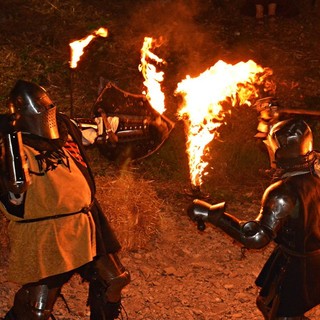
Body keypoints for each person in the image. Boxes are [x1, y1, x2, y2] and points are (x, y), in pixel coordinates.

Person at [0, 80, 130, 320]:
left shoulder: (64, 128)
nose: (49, 113)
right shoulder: (8, 143)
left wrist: (145, 124)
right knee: (37, 309)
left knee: (115, 280)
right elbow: (14, 189)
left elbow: (99, 130)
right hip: (46, 232)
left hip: (86, 223)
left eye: (51, 107)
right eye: (43, 109)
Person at [188, 118, 320, 319]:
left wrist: (212, 215)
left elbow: (256, 237)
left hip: (298, 264)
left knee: (283, 315)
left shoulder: (283, 193)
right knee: (266, 302)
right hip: (309, 256)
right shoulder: (316, 172)